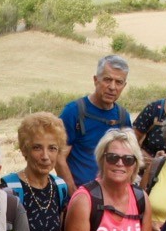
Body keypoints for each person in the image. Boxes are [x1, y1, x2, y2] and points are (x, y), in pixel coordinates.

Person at [56, 54, 132, 189]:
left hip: (112, 196)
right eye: (107, 80)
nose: (112, 87)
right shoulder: (73, 112)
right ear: (96, 80)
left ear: (124, 86)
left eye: (118, 82)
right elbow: (59, 158)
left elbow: (128, 159)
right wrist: (75, 195)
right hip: (81, 195)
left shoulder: (122, 117)